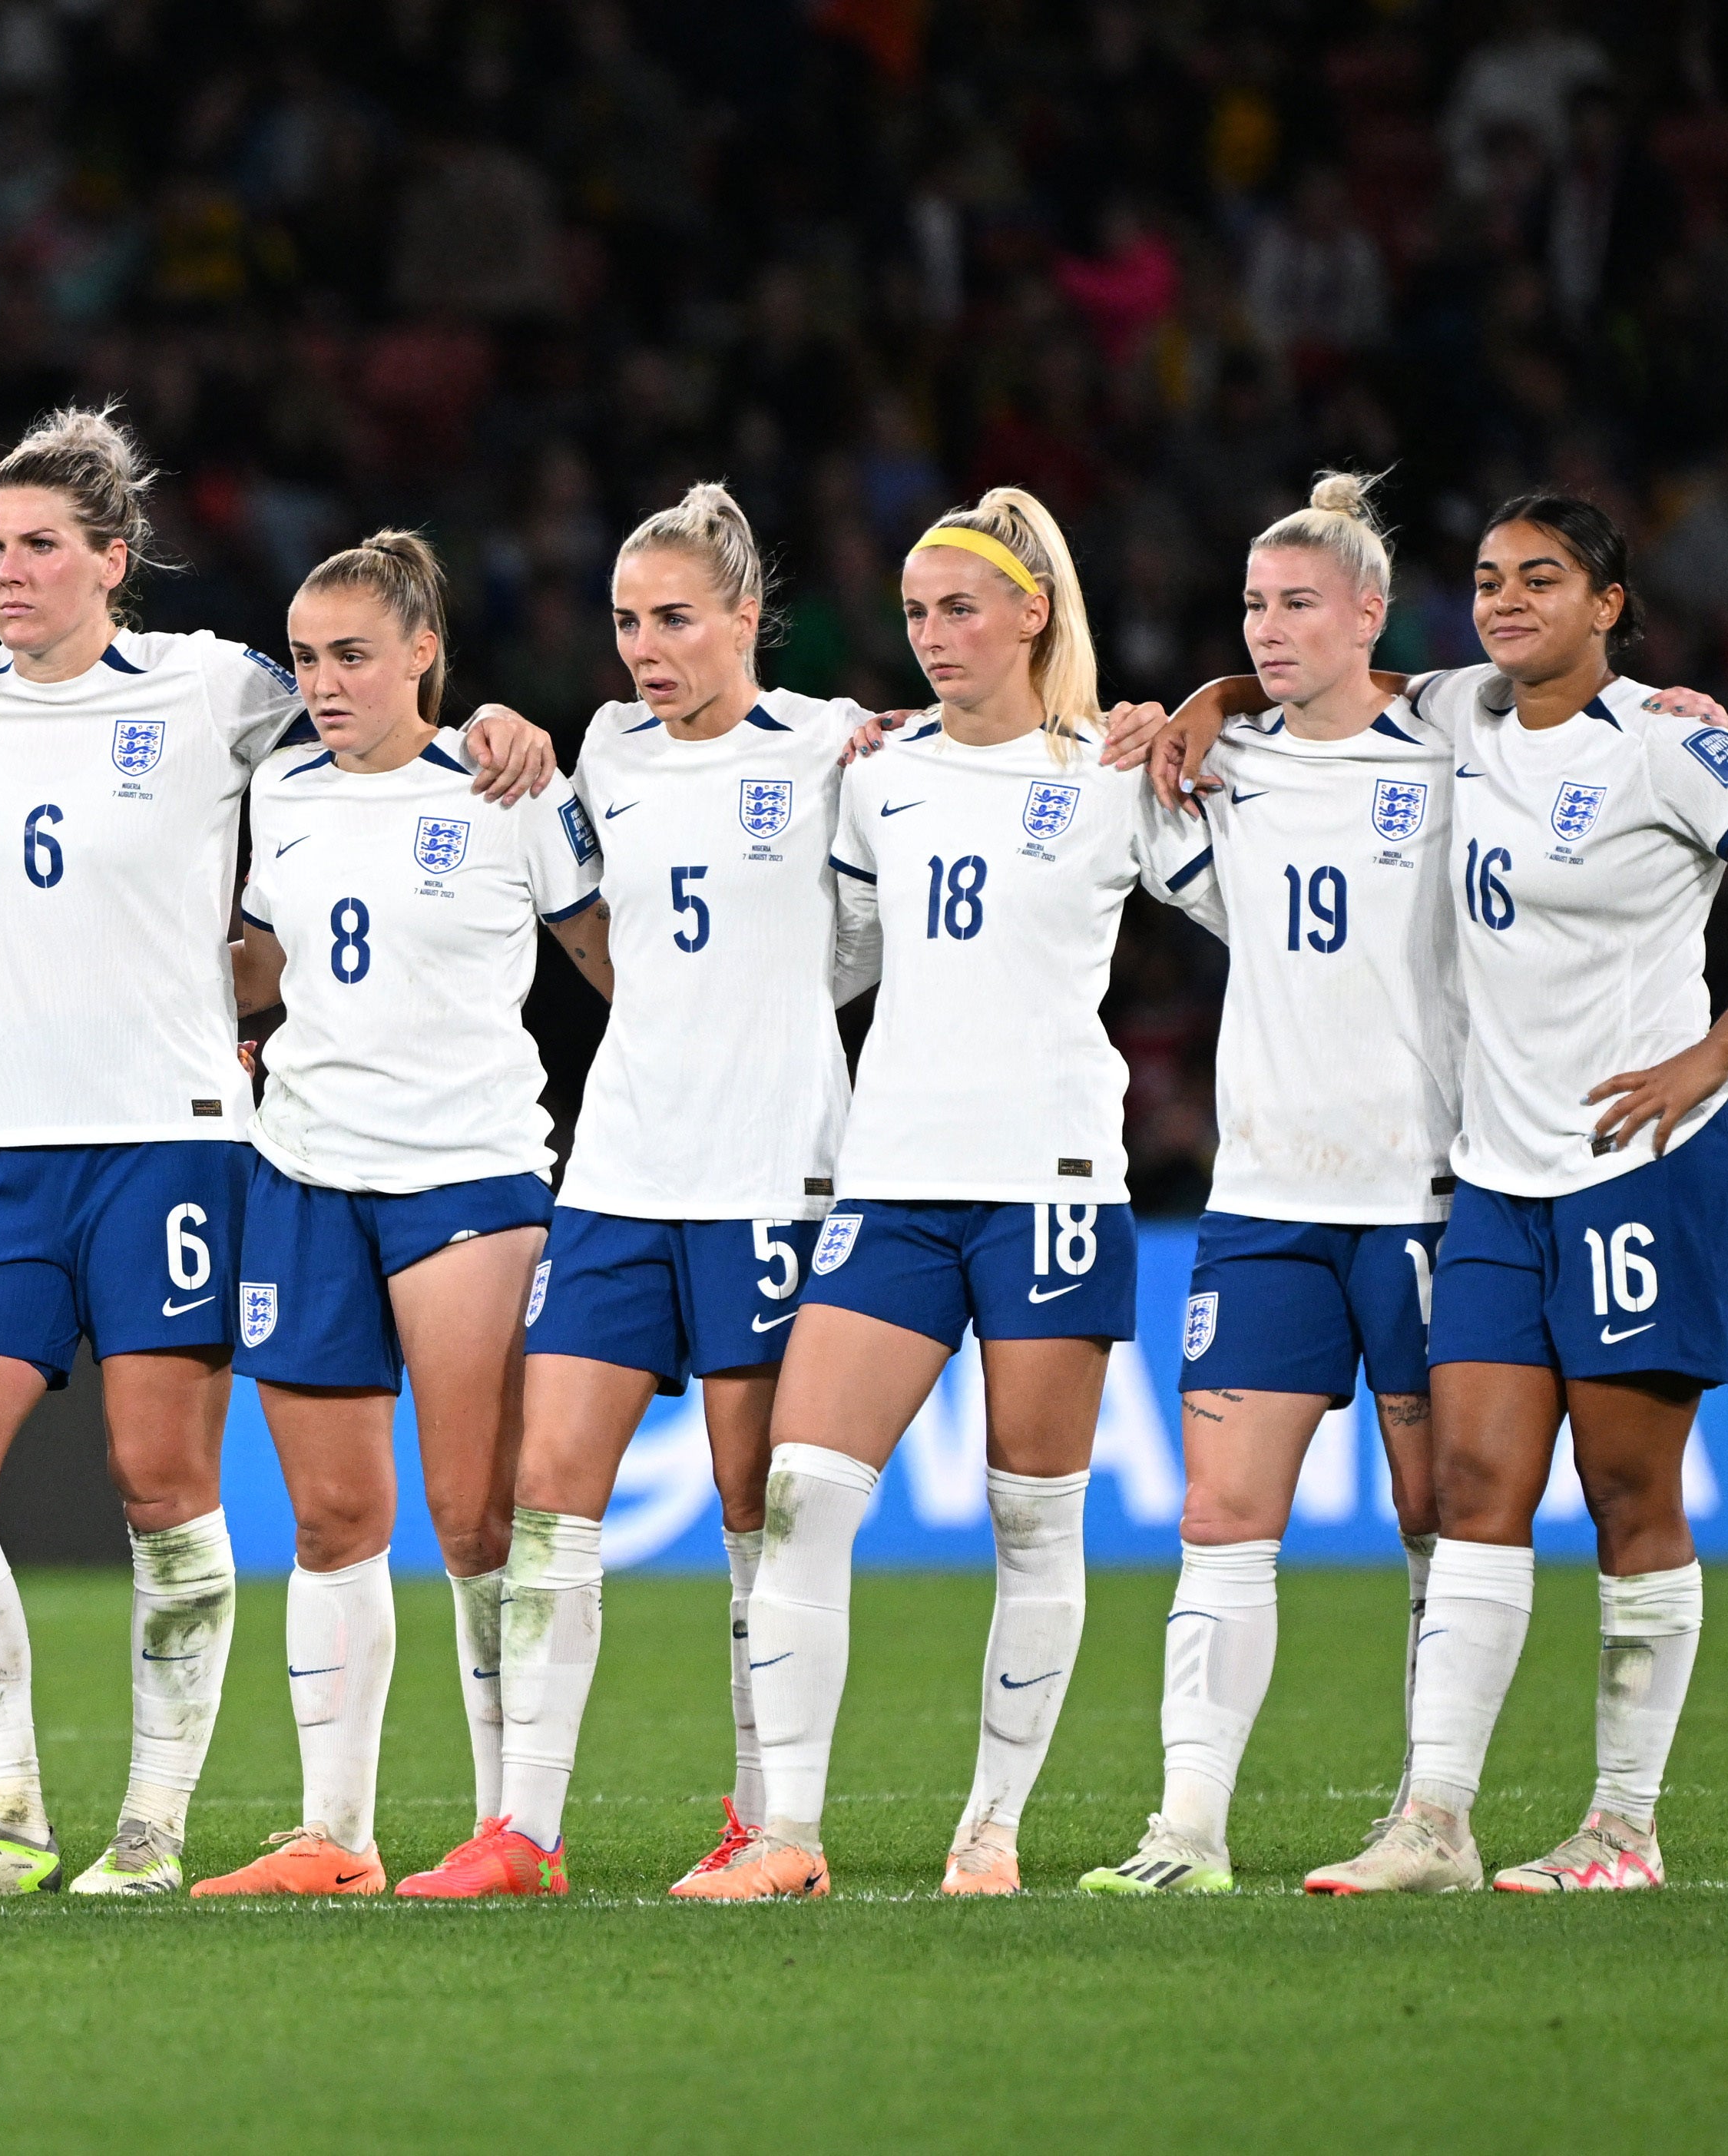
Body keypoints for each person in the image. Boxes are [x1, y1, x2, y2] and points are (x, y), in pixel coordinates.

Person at [0, 405, 557, 1896]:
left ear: (110, 560)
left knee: (155, 1483)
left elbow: (368, 721)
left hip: (168, 1139)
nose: (5, 571)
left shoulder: (210, 690)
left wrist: (485, 729)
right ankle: (3, 1814)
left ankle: (149, 1824)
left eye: (39, 546)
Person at [1276, 495, 1728, 1893]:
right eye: (1487, 578)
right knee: (1470, 1483)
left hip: (1645, 1165)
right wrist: (1194, 705)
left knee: (1625, 1492)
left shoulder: (1670, 744)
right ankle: (1432, 1822)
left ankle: (1624, 1825)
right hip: (1499, 1170)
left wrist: (1712, 1050)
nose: (1504, 601)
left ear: (1608, 603)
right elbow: (1311, 675)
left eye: (1540, 579)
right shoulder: (1456, 712)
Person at [674, 488, 1194, 1901]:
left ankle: (992, 1829)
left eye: (959, 607)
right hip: (892, 1179)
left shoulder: (1110, 770)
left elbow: (1254, 901)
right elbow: (825, 952)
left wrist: (1198, 723)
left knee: (1032, 1519)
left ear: (1034, 611)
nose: (933, 636)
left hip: (1052, 1183)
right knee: (801, 1497)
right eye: (913, 613)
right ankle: (786, 1834)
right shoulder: (877, 772)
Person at [399, 483, 882, 1900]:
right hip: (615, 1169)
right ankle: (523, 1833)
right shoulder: (606, 746)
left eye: (676, 618)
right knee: (549, 1493)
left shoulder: (831, 744)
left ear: (747, 617)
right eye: (625, 623)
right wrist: (500, 730)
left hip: (766, 1175)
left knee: (753, 1508)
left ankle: (768, 1819)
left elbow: (862, 930)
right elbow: (589, 912)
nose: (646, 649)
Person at [191, 532, 610, 1897]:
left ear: (424, 651)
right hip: (304, 1170)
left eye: (353, 654)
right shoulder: (283, 786)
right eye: (307, 656)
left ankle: (508, 1830)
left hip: (467, 1175)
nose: (323, 681)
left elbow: (618, 966)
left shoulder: (504, 783)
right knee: (328, 1519)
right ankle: (337, 1833)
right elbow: (263, 963)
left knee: (476, 1517)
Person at [1074, 474, 1458, 1897]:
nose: (1272, 626)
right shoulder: (1215, 774)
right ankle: (1187, 1829)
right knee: (1221, 1519)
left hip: (1425, 1193)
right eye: (1253, 606)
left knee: (1440, 1524)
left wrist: (1674, 713)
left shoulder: (1452, 754)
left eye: (1301, 602)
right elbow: (1131, 789)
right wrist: (1181, 711)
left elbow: (1540, 711)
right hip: (1264, 1202)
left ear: (1370, 612)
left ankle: (1435, 1816)